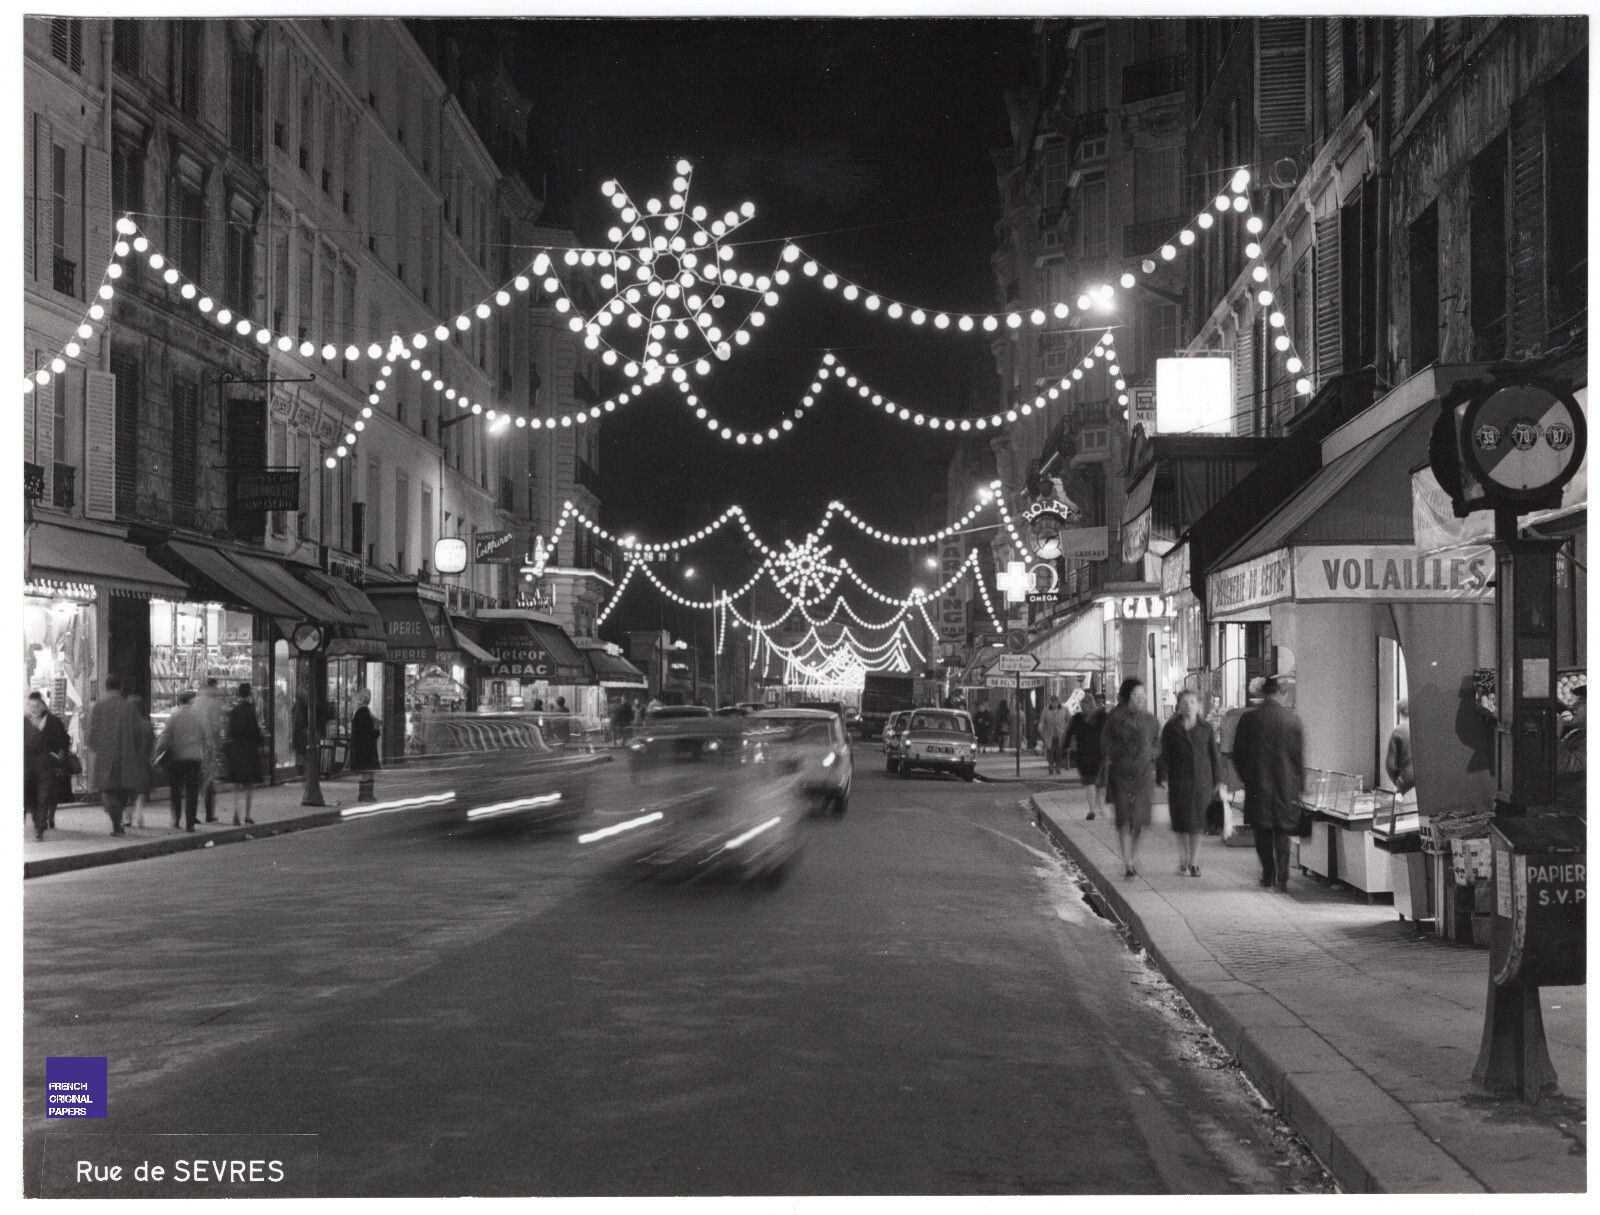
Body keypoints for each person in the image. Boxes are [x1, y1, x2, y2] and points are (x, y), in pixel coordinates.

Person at [1231, 676, 1306, 893]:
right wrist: (1299, 784)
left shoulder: (1248, 720)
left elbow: (1238, 754)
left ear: (1263, 694)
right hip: (1286, 785)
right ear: (1281, 695)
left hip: (1257, 784)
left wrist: (1247, 776)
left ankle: (1268, 872)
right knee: (1282, 830)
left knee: (1261, 831)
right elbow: (1298, 758)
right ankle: (1282, 876)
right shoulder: (1293, 721)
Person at [1160, 690, 1226, 878]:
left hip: (1201, 782)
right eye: (1184, 702)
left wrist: (1218, 780)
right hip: (1179, 781)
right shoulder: (1171, 728)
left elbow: (1214, 755)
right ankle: (1183, 859)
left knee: (1197, 824)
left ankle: (1194, 862)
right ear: (1179, 706)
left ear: (1198, 706)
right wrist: (1162, 775)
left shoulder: (1206, 728)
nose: (1188, 705)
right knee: (1181, 823)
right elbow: (1164, 753)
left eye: (1192, 701)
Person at [1101, 678, 1160, 879]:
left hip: (1143, 776)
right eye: (1136, 695)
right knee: (1125, 819)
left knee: (1139, 822)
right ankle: (1128, 862)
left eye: (1143, 695)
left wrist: (1152, 754)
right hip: (1122, 776)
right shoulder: (1115, 719)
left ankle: (1131, 857)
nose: (1140, 699)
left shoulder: (1150, 720)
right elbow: (1105, 746)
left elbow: (1156, 744)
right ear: (1127, 696)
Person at [84, 675, 149, 836]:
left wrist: (92, 746)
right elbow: (139, 733)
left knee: (109, 791)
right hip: (126, 756)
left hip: (106, 757)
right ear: (120, 688)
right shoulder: (129, 707)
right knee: (122, 791)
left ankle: (116, 823)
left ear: (106, 688)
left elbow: (92, 732)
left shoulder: (99, 707)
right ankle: (118, 820)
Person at [158, 690, 209, 832]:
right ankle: (190, 822)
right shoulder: (199, 716)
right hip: (194, 757)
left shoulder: (174, 716)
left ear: (179, 702)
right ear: (191, 701)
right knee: (192, 790)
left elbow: (166, 737)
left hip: (177, 757)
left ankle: (176, 818)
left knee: (176, 789)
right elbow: (206, 737)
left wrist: (159, 753)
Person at [25, 692, 72, 840]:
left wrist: (61, 753)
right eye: (31, 706)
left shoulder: (52, 721)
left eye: (37, 706)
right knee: (32, 796)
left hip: (47, 764)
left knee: (43, 797)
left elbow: (64, 739)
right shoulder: (24, 722)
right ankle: (38, 822)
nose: (34, 709)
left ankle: (39, 829)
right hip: (28, 765)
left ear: (43, 705)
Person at [225, 683, 264, 826]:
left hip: (236, 750)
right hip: (249, 750)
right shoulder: (250, 711)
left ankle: (236, 812)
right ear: (249, 694)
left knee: (236, 785)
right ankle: (247, 815)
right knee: (248, 785)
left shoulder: (234, 711)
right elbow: (255, 731)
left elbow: (230, 731)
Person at [1067, 692, 1107, 820]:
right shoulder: (1102, 716)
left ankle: (1093, 809)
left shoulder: (1081, 718)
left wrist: (1065, 747)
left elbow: (1069, 734)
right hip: (1096, 754)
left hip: (1089, 754)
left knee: (1092, 782)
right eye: (1082, 706)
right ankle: (1096, 809)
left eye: (1085, 705)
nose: (1084, 708)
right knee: (1097, 783)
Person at [201, 678, 229, 822]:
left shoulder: (197, 700)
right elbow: (217, 725)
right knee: (209, 779)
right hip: (209, 745)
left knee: (198, 779)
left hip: (196, 746)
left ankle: (192, 815)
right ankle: (209, 813)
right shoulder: (214, 703)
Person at [1384, 699, 1414, 798]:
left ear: (1400, 713)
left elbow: (1391, 766)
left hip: (1407, 782)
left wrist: (1398, 782)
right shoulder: (1424, 729)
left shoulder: (1398, 731)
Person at [349, 688, 381, 779]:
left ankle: (365, 793)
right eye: (369, 697)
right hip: (366, 750)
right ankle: (366, 793)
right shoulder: (364, 712)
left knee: (365, 775)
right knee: (367, 775)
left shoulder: (358, 711)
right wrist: (376, 730)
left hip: (361, 749)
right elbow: (368, 733)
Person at [1040, 696, 1070, 775]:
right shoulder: (1045, 710)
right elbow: (1042, 722)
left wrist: (1065, 728)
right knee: (1050, 751)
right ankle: (1051, 766)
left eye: (1055, 701)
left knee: (1059, 751)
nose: (1054, 703)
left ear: (1058, 701)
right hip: (1049, 734)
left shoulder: (1064, 709)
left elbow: (1068, 719)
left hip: (1060, 733)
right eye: (1052, 701)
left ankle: (1058, 767)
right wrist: (1042, 732)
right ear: (1050, 702)